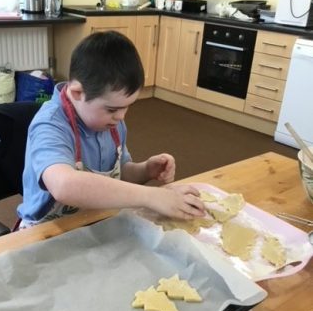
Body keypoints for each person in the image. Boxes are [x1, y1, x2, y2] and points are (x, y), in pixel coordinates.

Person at [17, 30, 205, 227]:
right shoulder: (50, 125)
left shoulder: (110, 121)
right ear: (78, 93)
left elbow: (119, 174)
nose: (121, 116)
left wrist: (145, 170)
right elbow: (64, 186)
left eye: (127, 107)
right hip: (46, 231)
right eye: (113, 109)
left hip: (95, 221)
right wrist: (152, 196)